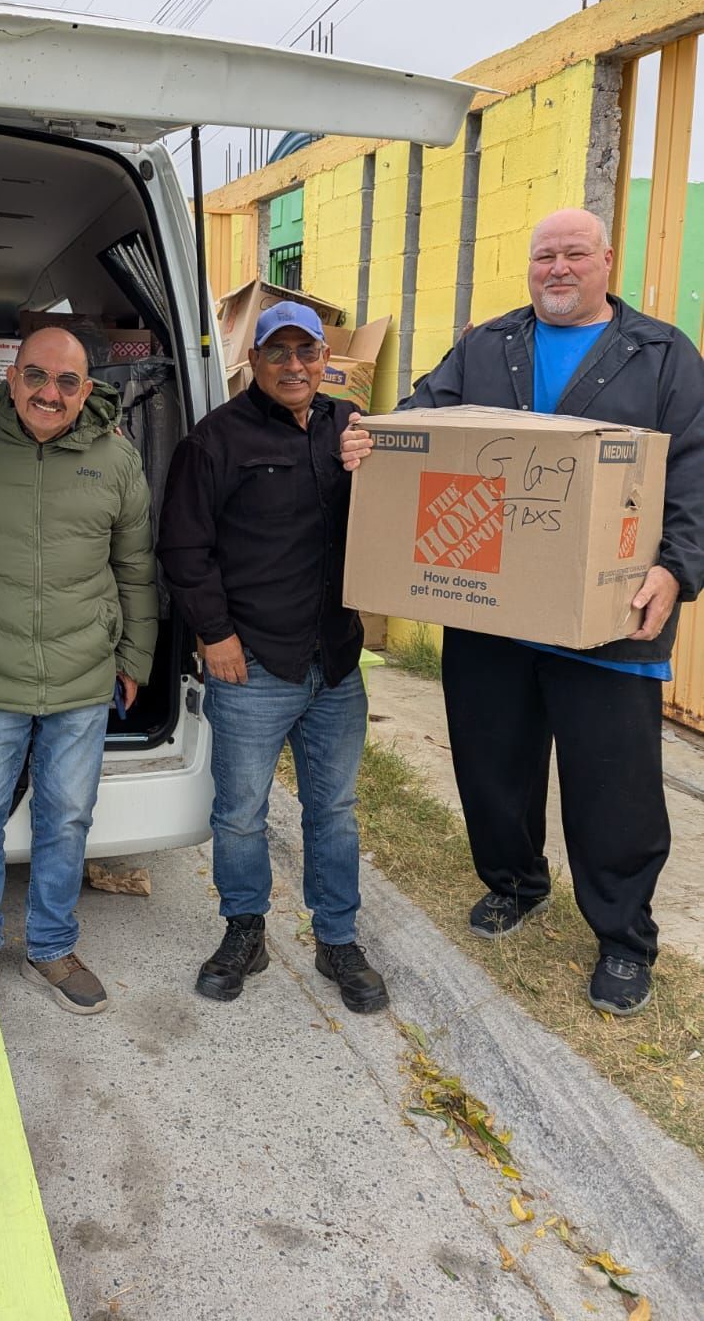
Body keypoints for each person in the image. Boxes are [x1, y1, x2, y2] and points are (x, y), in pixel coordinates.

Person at [340, 208, 704, 1015]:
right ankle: (514, 882)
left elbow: (694, 476)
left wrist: (676, 571)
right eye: (545, 255)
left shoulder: (662, 354)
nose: (558, 268)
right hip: (493, 606)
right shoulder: (486, 345)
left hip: (610, 619)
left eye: (575, 253)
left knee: (614, 786)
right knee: (492, 762)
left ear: (608, 260)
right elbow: (421, 415)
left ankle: (621, 936)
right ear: (530, 267)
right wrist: (371, 437)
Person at [157, 301, 388, 1013]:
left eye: (308, 352)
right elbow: (183, 549)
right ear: (252, 361)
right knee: (240, 813)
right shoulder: (214, 441)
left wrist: (375, 464)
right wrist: (215, 633)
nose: (295, 366)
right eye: (278, 353)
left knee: (334, 810)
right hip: (252, 661)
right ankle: (245, 931)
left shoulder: (352, 427)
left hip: (336, 659)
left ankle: (338, 938)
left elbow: (399, 502)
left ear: (327, 359)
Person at [0, 325, 157, 1014]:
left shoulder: (117, 462)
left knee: (66, 819)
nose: (49, 394)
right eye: (35, 376)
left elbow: (135, 568)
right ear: (11, 378)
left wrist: (135, 657)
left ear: (87, 390)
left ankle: (52, 946)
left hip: (81, 675)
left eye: (67, 382)